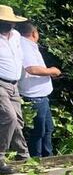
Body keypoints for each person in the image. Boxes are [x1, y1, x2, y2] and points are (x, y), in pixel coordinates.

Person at [18, 22, 60, 157]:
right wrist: (51, 71)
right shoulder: (25, 45)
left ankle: (48, 156)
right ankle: (37, 158)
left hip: (41, 95)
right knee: (39, 131)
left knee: (48, 128)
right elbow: (32, 69)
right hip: (35, 96)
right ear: (34, 33)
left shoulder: (28, 45)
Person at [0, 5, 30, 175]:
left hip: (14, 84)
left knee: (18, 121)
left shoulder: (16, 36)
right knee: (9, 118)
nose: (9, 25)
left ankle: (22, 155)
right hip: (0, 83)